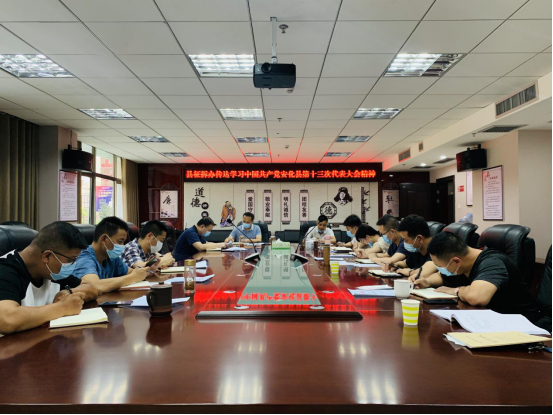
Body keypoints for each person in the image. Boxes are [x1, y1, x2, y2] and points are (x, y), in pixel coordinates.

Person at [412, 232, 543, 326]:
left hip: (523, 326)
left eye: (440, 266)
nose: (440, 269)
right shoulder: (462, 264)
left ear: (456, 261)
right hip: (489, 322)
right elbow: (441, 276)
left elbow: (477, 297)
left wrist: (457, 291)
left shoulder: (492, 262)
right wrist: (427, 281)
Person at [0, 222, 99, 335]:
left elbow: (90, 288)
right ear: (47, 256)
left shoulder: (50, 270)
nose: (72, 265)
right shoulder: (5, 271)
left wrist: (68, 292)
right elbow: (6, 319)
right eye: (71, 260)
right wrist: (62, 308)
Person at [73, 217, 151, 293]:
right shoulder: (84, 258)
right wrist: (132, 277)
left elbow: (132, 272)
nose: (122, 245)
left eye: (123, 242)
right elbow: (94, 286)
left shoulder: (111, 257)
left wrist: (145, 271)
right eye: (120, 241)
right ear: (104, 239)